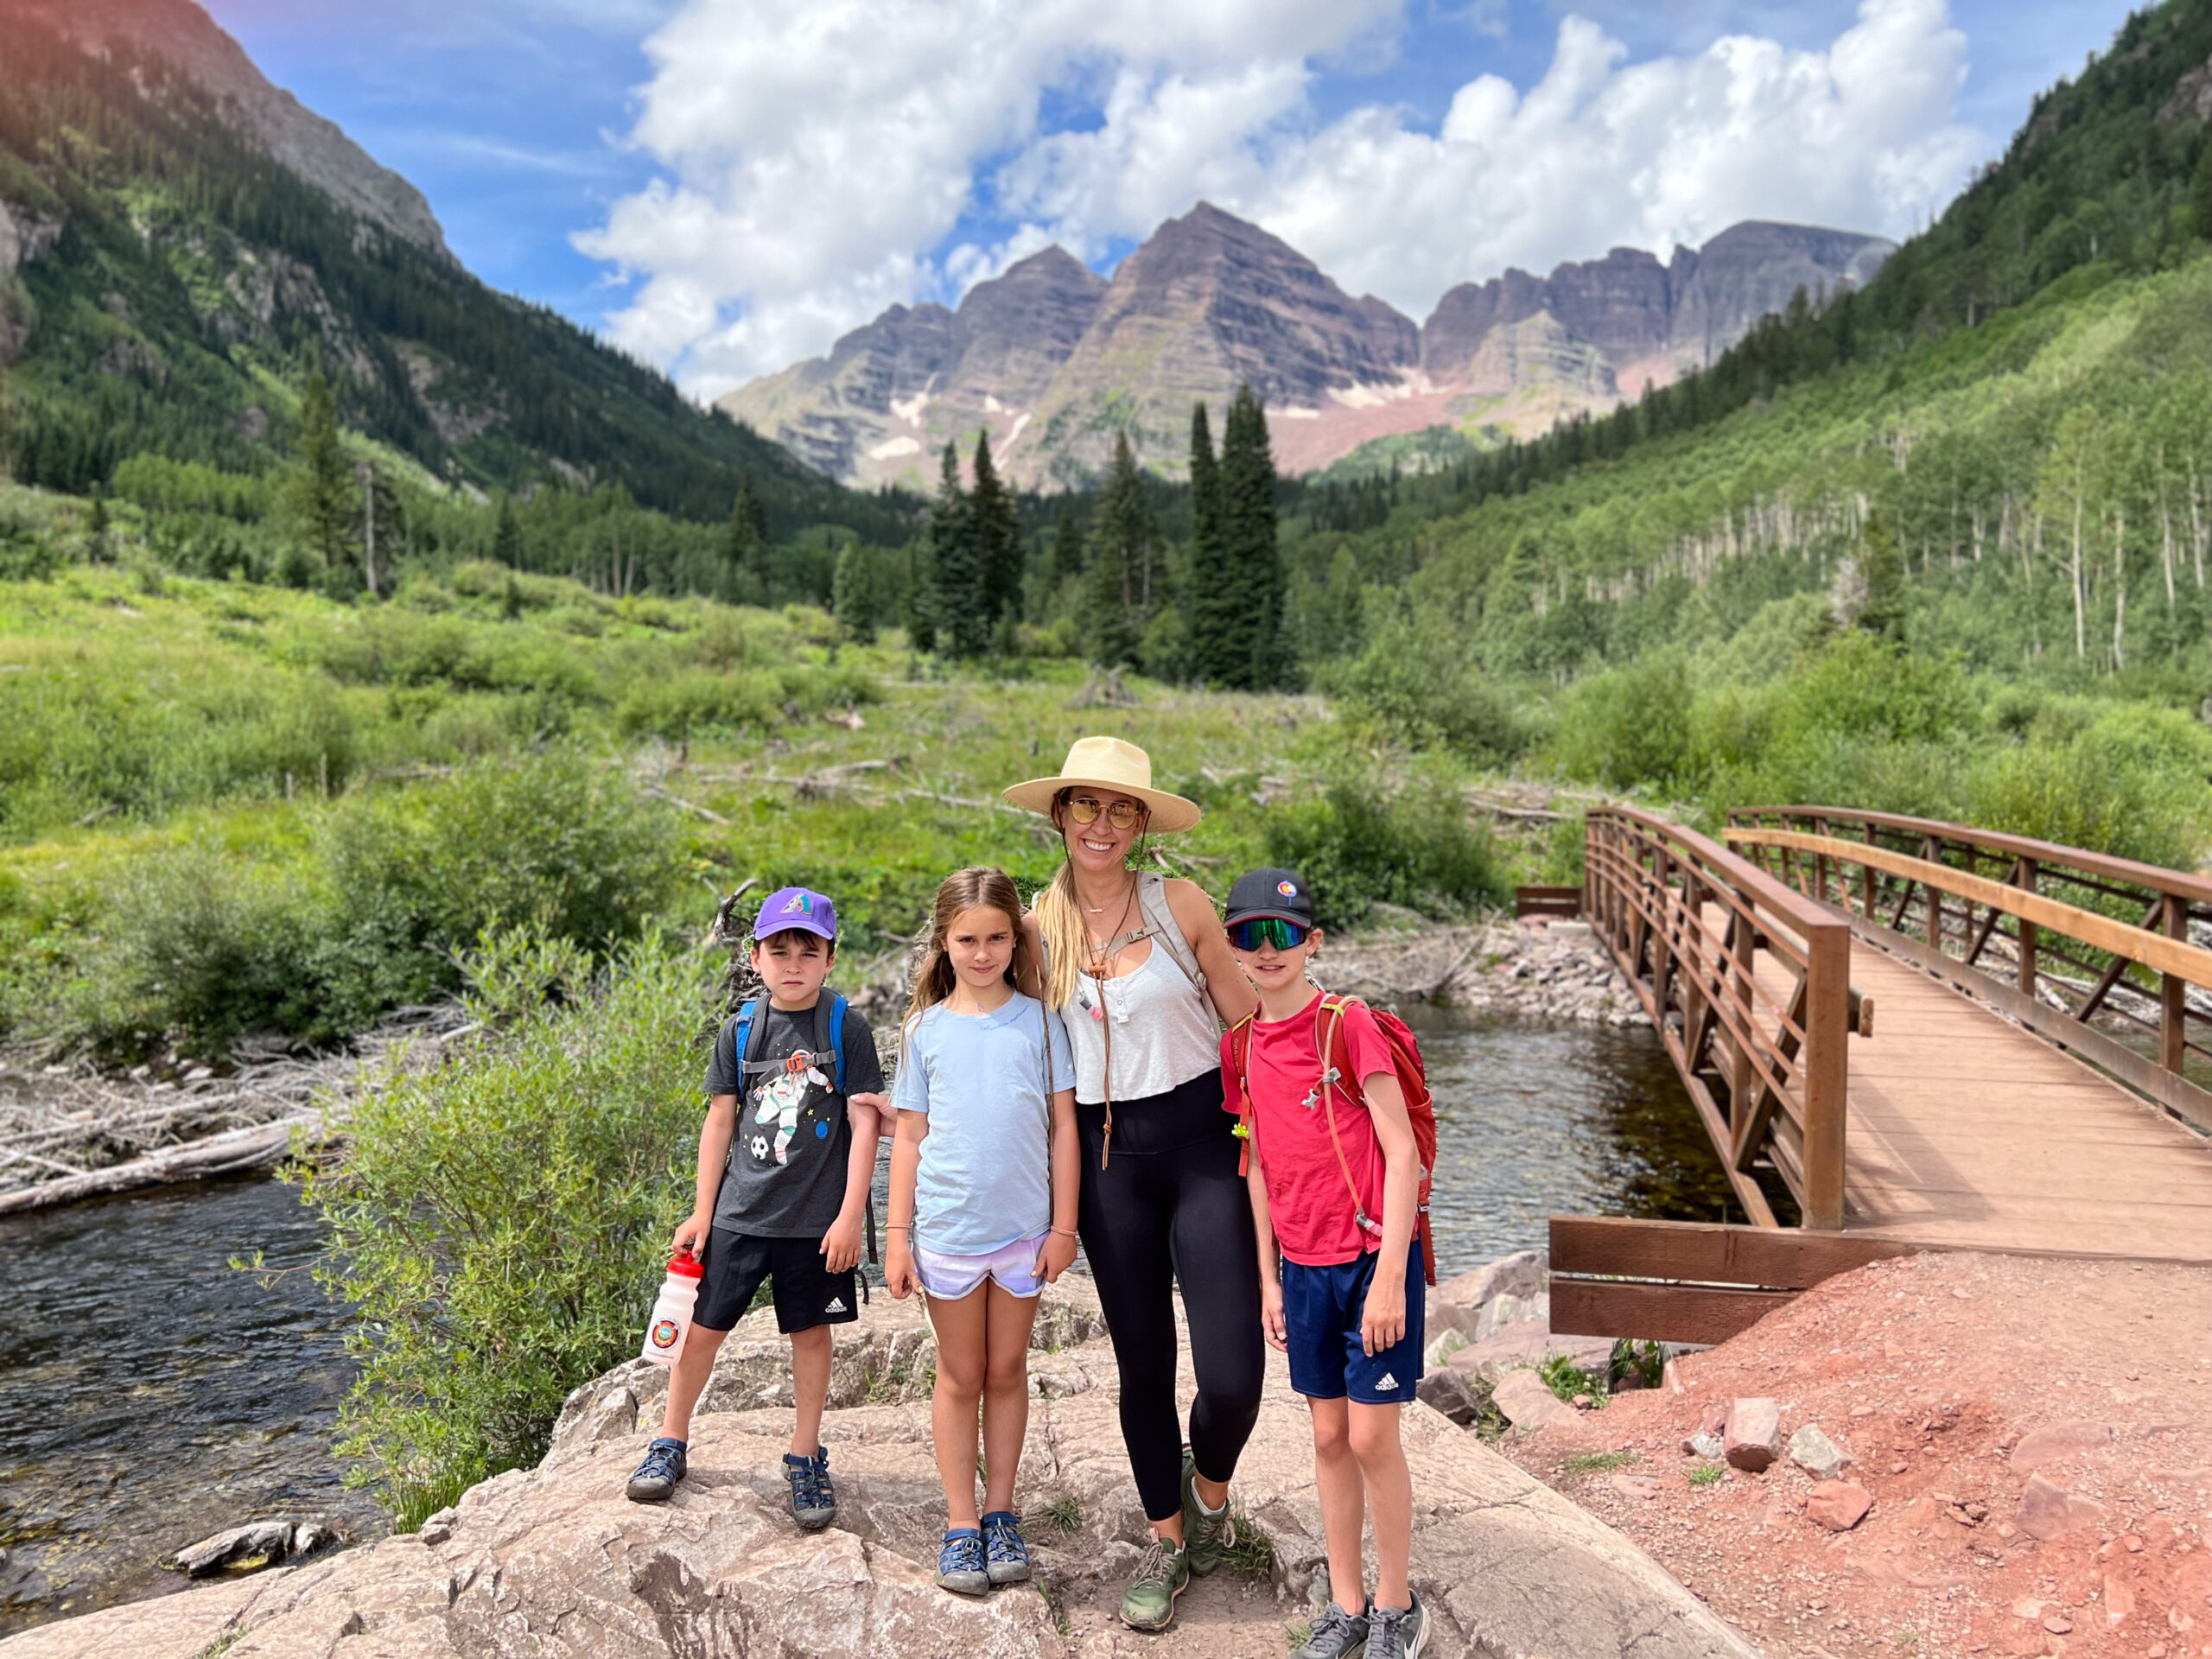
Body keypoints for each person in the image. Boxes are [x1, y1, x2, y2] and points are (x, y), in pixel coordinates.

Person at [1001, 735, 1263, 1632]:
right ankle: (1163, 1545)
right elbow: (1027, 1064)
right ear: (1060, 816)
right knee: (1142, 1364)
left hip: (1200, 1146)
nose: (1102, 825)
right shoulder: (1035, 931)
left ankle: (1209, 1490)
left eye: (1122, 809)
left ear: (1142, 823)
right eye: (1086, 806)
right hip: (1107, 1162)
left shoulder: (1181, 905)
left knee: (1231, 1371)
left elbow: (1250, 1025)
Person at [625, 887, 889, 1528]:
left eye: (809, 950)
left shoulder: (844, 1027)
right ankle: (670, 1440)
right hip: (740, 1216)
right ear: (755, 956)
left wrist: (851, 1215)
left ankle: (804, 1456)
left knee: (811, 1335)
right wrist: (699, 1212)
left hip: (815, 1225)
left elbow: (867, 1127)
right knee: (702, 1332)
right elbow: (720, 1123)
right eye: (779, 949)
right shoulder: (742, 1030)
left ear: (831, 957)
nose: (793, 962)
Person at [1219, 866, 1429, 1659]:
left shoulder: (1346, 1026)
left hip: (1374, 1259)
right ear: (1234, 947)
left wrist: (1388, 1278)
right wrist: (1268, 1280)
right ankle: (1345, 1606)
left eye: (1283, 935)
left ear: (1313, 942)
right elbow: (1261, 1167)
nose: (1266, 950)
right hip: (1303, 1268)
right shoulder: (1239, 1047)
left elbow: (1401, 1152)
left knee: (1376, 1440)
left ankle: (1397, 1604)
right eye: (1248, 935)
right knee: (1330, 1437)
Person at [883, 867, 1080, 1597]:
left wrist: (1065, 1226)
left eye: (998, 937)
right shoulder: (924, 1030)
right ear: (944, 941)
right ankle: (961, 1524)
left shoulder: (1040, 1021)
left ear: (1014, 938)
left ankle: (1002, 1512)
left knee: (1006, 1371)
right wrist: (897, 1236)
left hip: (1024, 1233)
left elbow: (1064, 1129)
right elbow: (908, 1138)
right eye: (967, 939)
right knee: (961, 1374)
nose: (983, 952)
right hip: (947, 1231)